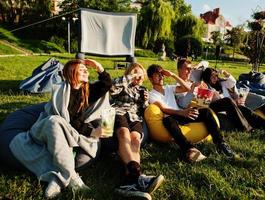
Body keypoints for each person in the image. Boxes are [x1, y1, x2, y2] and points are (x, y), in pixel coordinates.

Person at [8, 59, 113, 198]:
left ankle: (57, 179)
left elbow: (106, 85)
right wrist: (92, 131)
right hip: (44, 129)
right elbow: (66, 118)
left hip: (65, 132)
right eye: (81, 69)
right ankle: (73, 177)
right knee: (55, 120)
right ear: (71, 73)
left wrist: (99, 67)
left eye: (86, 69)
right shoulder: (60, 90)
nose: (86, 71)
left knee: (59, 125)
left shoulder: (86, 92)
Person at [147, 64, 238, 162]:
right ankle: (190, 149)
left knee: (206, 112)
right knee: (168, 120)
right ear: (151, 79)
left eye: (162, 74)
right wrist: (182, 112)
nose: (161, 77)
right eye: (157, 75)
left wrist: (173, 75)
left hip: (183, 114)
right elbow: (164, 109)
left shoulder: (168, 88)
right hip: (173, 116)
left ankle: (221, 144)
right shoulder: (152, 94)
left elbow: (187, 88)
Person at [110, 63, 164, 200]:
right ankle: (138, 176)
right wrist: (130, 77)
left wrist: (145, 101)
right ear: (129, 73)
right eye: (135, 72)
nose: (138, 76)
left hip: (135, 117)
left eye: (141, 74)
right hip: (120, 113)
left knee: (135, 140)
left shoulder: (143, 89)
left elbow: (143, 109)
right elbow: (111, 88)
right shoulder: (122, 84)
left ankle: (130, 182)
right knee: (124, 134)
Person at [202, 67, 265, 138]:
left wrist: (224, 73)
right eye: (212, 77)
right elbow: (206, 104)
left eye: (216, 76)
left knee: (251, 110)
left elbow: (232, 82)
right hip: (225, 112)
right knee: (246, 112)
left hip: (234, 107)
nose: (215, 78)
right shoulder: (207, 88)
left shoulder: (222, 84)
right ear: (207, 78)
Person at [175, 58, 252, 132]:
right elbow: (183, 104)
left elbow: (205, 62)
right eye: (187, 69)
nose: (189, 71)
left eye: (190, 69)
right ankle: (246, 129)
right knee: (227, 101)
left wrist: (197, 66)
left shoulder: (193, 79)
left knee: (240, 108)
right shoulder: (177, 86)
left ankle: (261, 125)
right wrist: (193, 88)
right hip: (200, 109)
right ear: (179, 70)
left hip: (205, 104)